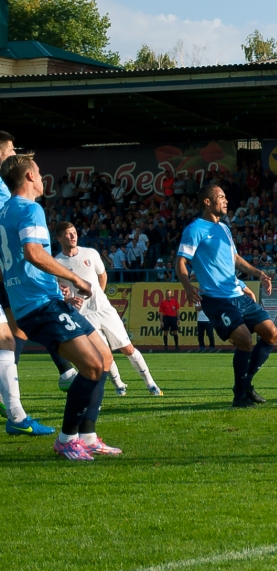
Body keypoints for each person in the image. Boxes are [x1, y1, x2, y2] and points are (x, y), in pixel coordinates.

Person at [1, 153, 118, 459]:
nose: (41, 177)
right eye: (38, 172)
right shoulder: (30, 209)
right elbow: (33, 253)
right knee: (92, 365)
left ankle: (88, 436)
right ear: (28, 177)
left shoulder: (4, 211)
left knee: (104, 358)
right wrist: (76, 280)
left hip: (41, 299)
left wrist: (54, 286)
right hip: (39, 306)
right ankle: (67, 439)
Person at [175, 185, 277, 408]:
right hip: (216, 299)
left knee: (272, 334)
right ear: (207, 202)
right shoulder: (195, 229)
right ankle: (239, 395)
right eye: (221, 197)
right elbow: (181, 262)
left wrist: (256, 274)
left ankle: (246, 384)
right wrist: (187, 285)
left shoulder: (224, 228)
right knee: (244, 340)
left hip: (236, 293)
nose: (226, 200)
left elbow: (233, 259)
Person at [0, 130, 78, 394]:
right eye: (11, 150)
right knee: (95, 361)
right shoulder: (19, 201)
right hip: (17, 274)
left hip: (9, 271)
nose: (14, 155)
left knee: (13, 334)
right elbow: (32, 251)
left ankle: (64, 371)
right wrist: (70, 277)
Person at [54, 222, 162, 397]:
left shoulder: (91, 254)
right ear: (59, 238)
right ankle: (119, 385)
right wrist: (67, 299)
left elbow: (102, 275)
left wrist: (99, 296)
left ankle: (150, 383)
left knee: (127, 348)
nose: (73, 236)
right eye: (67, 233)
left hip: (104, 310)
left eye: (74, 232)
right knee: (103, 353)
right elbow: (56, 290)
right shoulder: (56, 263)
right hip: (83, 315)